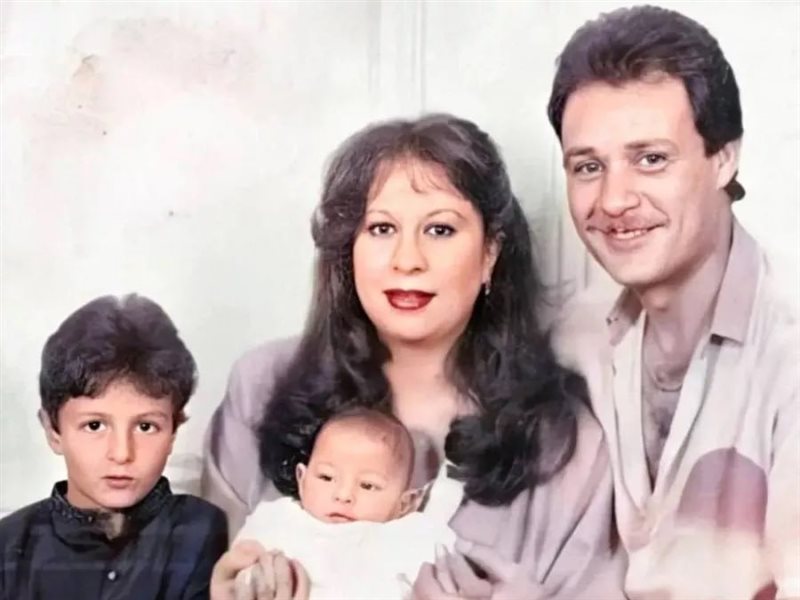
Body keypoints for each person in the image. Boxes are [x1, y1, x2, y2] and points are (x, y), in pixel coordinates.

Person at [203, 114, 623, 600]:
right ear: (348, 250)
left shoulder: (568, 445)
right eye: (381, 228)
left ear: (490, 252)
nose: (407, 260)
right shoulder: (261, 386)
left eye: (440, 230)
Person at [545, 6, 800, 600]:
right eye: (588, 166)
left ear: (724, 158)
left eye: (651, 159)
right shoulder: (573, 337)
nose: (613, 200)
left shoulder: (790, 350)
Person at [0, 294, 229, 600]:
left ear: (173, 431)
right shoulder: (9, 546)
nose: (122, 453)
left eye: (146, 427)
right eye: (95, 425)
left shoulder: (200, 530)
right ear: (53, 430)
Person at [233, 408, 462, 600]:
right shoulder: (279, 519)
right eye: (326, 477)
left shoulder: (408, 534)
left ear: (405, 503)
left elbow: (445, 571)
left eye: (367, 485)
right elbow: (239, 570)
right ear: (302, 479)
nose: (343, 495)